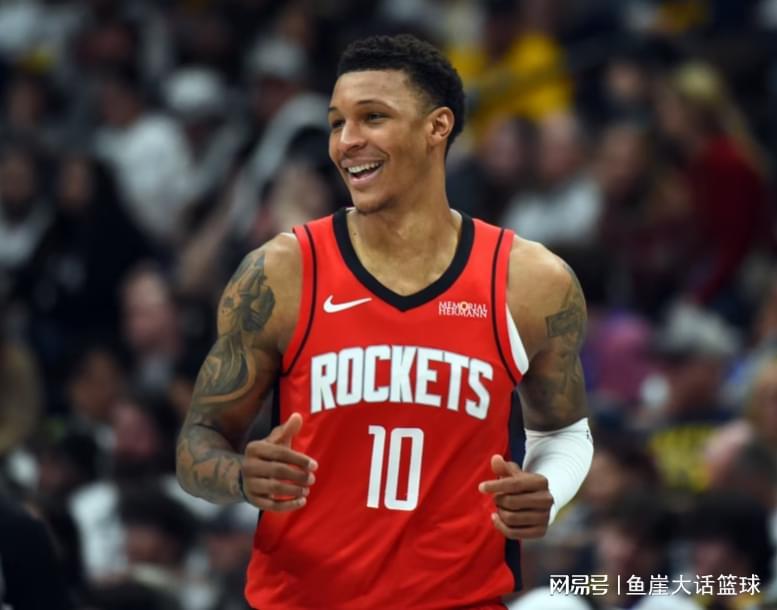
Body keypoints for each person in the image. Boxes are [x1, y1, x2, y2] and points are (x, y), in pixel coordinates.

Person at [176, 34, 593, 609]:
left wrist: (549, 486)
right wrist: (241, 477)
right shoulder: (280, 272)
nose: (346, 141)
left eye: (372, 117)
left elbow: (564, 431)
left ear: (437, 127)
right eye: (336, 122)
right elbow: (197, 441)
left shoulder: (530, 282)